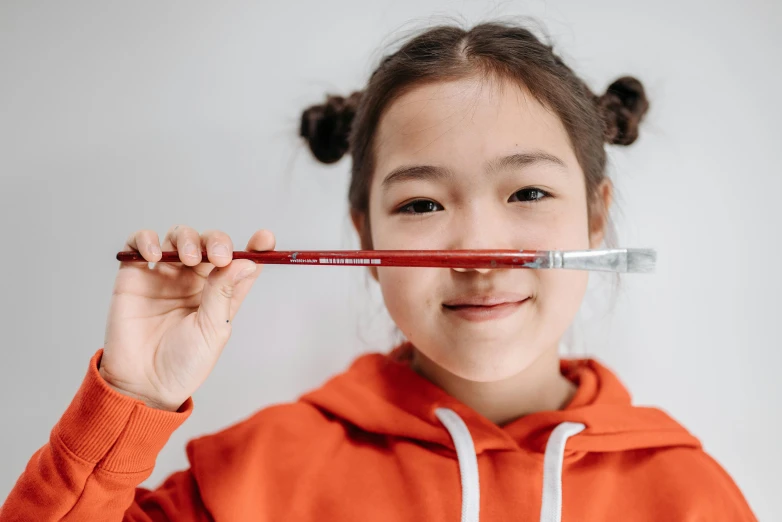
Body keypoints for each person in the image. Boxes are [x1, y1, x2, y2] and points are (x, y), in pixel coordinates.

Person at [0, 21, 756, 522]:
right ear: (363, 231)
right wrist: (130, 398)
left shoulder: (691, 497)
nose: (478, 251)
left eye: (528, 192)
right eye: (423, 204)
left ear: (596, 217)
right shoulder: (251, 480)